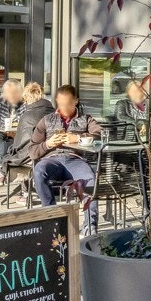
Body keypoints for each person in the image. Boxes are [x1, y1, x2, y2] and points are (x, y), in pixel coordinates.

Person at [29, 84, 104, 216]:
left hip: (75, 160)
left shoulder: (86, 119)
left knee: (90, 178)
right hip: (51, 160)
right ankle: (52, 216)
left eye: (68, 104)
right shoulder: (46, 120)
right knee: (39, 171)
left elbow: (101, 135)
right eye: (61, 104)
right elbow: (32, 151)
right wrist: (47, 144)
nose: (63, 107)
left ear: (76, 101)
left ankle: (90, 226)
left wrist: (78, 138)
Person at [0, 82, 51, 199]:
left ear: (20, 94)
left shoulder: (28, 105)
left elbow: (27, 129)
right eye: (7, 93)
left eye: (13, 93)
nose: (9, 96)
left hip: (18, 139)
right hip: (3, 135)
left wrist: (15, 133)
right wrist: (3, 129)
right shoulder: (0, 102)